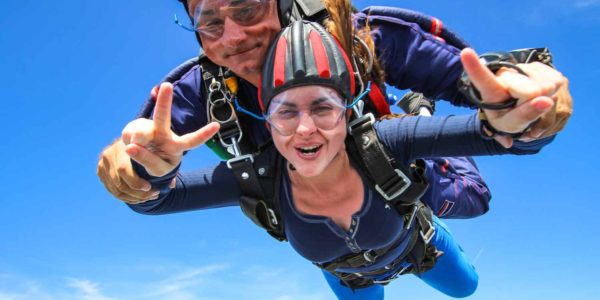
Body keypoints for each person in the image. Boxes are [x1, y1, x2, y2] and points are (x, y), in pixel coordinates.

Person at [120, 15, 564, 298]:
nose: (306, 128)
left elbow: (503, 138)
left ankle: (420, 114)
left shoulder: (386, 142)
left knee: (467, 281)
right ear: (265, 120)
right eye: (285, 112)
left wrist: (522, 118)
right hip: (349, 279)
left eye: (323, 108)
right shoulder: (255, 176)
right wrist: (148, 172)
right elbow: (154, 200)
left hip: (418, 247)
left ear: (348, 110)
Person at [97, 0, 571, 206]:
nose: (233, 37)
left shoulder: (360, 38)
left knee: (472, 204)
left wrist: (524, 107)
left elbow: (473, 76)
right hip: (317, 205)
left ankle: (417, 117)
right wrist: (135, 170)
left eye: (246, 9)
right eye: (209, 22)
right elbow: (146, 147)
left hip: (396, 166)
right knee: (339, 266)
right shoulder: (199, 87)